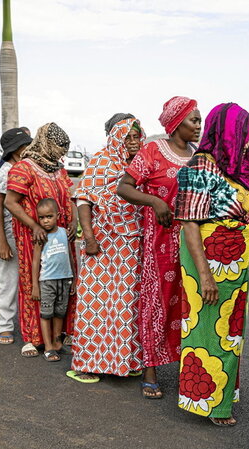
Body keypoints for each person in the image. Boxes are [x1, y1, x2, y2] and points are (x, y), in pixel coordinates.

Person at [175, 103, 249, 426]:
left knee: (230, 331)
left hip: (235, 263)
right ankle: (208, 403)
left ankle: (222, 396)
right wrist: (205, 276)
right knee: (206, 330)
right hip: (207, 259)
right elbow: (190, 223)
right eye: (244, 135)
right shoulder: (201, 167)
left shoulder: (236, 168)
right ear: (226, 134)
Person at [117, 96, 201, 399]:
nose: (199, 126)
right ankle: (150, 369)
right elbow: (123, 186)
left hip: (193, 243)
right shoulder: (152, 151)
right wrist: (154, 201)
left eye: (200, 120)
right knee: (158, 302)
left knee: (189, 304)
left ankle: (187, 368)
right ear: (176, 122)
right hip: (160, 244)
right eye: (193, 120)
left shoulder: (197, 156)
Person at [67, 114, 145, 384]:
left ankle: (124, 360)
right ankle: (89, 362)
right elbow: (84, 199)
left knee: (126, 304)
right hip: (102, 243)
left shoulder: (141, 162)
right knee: (96, 304)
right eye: (128, 137)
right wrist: (88, 238)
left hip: (132, 243)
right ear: (115, 137)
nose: (134, 142)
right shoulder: (102, 160)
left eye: (137, 136)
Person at [5, 122, 76, 358]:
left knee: (60, 287)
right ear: (46, 143)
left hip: (59, 238)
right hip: (33, 236)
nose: (60, 153)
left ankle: (57, 337)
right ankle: (32, 338)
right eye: (57, 148)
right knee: (34, 284)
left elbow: (69, 198)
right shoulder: (24, 168)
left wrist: (73, 221)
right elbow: (10, 202)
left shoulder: (58, 169)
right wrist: (34, 225)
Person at [0, 127, 33, 345]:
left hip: (28, 229)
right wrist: (3, 241)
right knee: (9, 277)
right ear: (17, 150)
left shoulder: (26, 167)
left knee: (30, 278)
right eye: (26, 145)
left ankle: (28, 323)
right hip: (10, 228)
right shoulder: (6, 171)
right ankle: (5, 325)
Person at [31, 198, 75, 362]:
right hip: (47, 281)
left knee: (60, 312)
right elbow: (35, 262)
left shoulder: (64, 233)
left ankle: (57, 343)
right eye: (41, 218)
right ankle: (48, 347)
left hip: (65, 279)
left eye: (49, 216)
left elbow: (70, 256)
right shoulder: (41, 236)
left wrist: (74, 279)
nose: (45, 221)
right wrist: (35, 286)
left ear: (57, 215)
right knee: (46, 314)